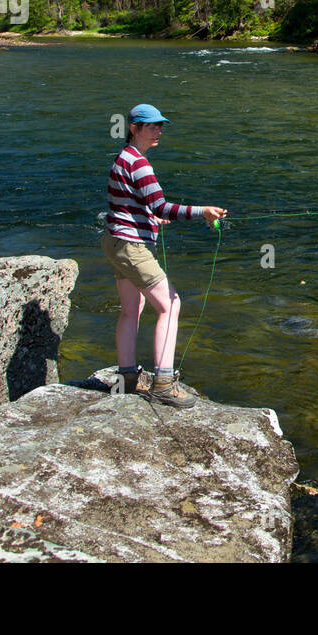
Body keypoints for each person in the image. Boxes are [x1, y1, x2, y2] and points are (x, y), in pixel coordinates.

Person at [101, 103, 226, 408]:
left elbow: (127, 204)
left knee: (133, 308)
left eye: (160, 126)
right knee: (170, 305)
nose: (158, 131)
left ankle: (127, 377)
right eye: (151, 126)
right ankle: (163, 384)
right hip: (131, 246)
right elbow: (162, 207)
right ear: (134, 128)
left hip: (115, 242)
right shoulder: (140, 164)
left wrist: (148, 217)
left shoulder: (124, 158)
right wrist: (203, 212)